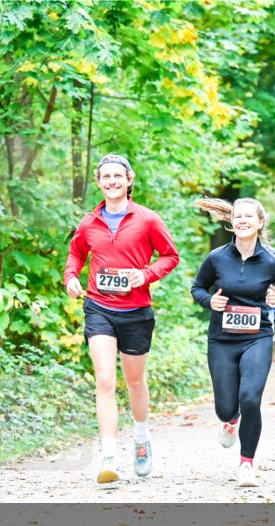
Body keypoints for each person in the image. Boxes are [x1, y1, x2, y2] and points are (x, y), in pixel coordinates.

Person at [64, 154, 180, 485]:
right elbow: (75, 254)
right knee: (104, 380)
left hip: (136, 312)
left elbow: (170, 256)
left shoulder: (147, 220)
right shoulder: (89, 222)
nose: (112, 181)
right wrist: (71, 277)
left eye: (118, 176)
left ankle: (141, 440)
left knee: (134, 381)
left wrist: (145, 275)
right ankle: (109, 456)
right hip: (99, 307)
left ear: (129, 179)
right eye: (106, 177)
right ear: (98, 183)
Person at [191, 197, 275, 487]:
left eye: (248, 217)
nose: (242, 220)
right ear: (232, 221)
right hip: (221, 339)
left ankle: (246, 465)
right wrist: (209, 302)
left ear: (260, 222)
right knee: (225, 408)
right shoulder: (216, 258)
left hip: (258, 337)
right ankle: (231, 420)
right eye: (238, 216)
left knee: (250, 398)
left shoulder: (271, 260)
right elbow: (197, 288)